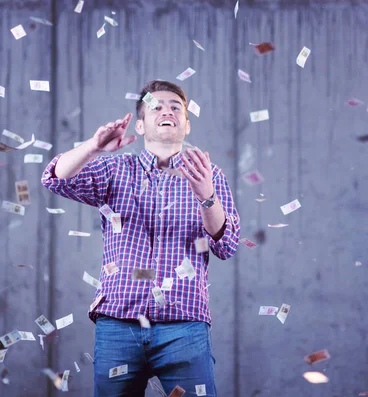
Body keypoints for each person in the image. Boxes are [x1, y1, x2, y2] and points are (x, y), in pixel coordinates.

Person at [41, 80, 240, 396]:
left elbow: (226, 244)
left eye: (176, 107)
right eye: (156, 106)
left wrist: (206, 196)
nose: (167, 111)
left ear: (186, 125)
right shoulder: (115, 169)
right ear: (142, 125)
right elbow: (55, 179)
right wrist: (93, 147)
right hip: (119, 323)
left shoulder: (209, 175)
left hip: (184, 325)